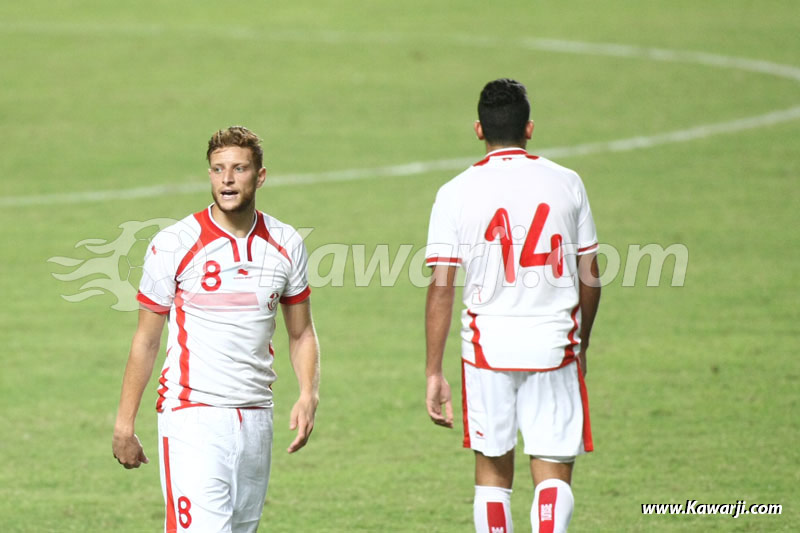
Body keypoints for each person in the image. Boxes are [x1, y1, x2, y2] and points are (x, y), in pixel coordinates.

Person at [112, 126, 321, 533]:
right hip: (194, 417)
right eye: (218, 169)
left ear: (260, 176)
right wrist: (124, 424)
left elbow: (301, 333)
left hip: (257, 417)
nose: (227, 179)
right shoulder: (175, 243)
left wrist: (308, 393)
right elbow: (146, 339)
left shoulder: (286, 243)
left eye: (239, 168)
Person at [425, 79, 601, 533]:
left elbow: (441, 287)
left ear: (479, 130)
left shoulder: (455, 191)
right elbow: (590, 276)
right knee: (553, 472)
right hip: (553, 346)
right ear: (529, 128)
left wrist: (433, 370)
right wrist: (581, 343)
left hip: (487, 350)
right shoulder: (567, 183)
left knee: (492, 476)